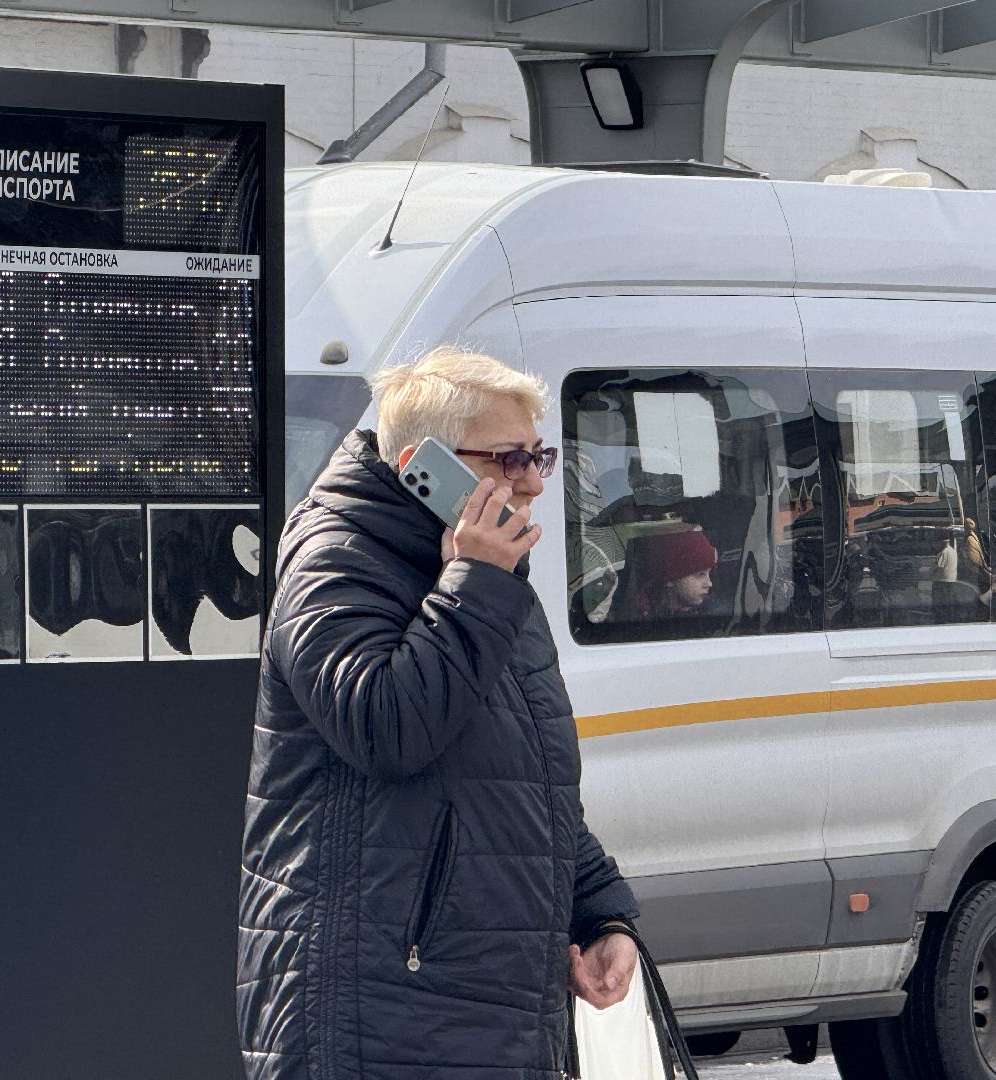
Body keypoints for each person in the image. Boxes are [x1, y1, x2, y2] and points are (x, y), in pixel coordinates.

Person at [237, 346, 639, 1080]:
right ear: (428, 463)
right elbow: (386, 728)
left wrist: (601, 913)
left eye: (538, 457)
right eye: (509, 459)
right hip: (379, 1008)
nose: (531, 484)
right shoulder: (338, 560)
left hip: (481, 1005)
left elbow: (526, 781)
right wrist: (474, 585)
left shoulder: (478, 573)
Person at [625, 528, 718, 619]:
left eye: (709, 573)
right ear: (670, 579)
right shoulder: (637, 614)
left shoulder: (713, 614)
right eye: (700, 574)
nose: (709, 583)